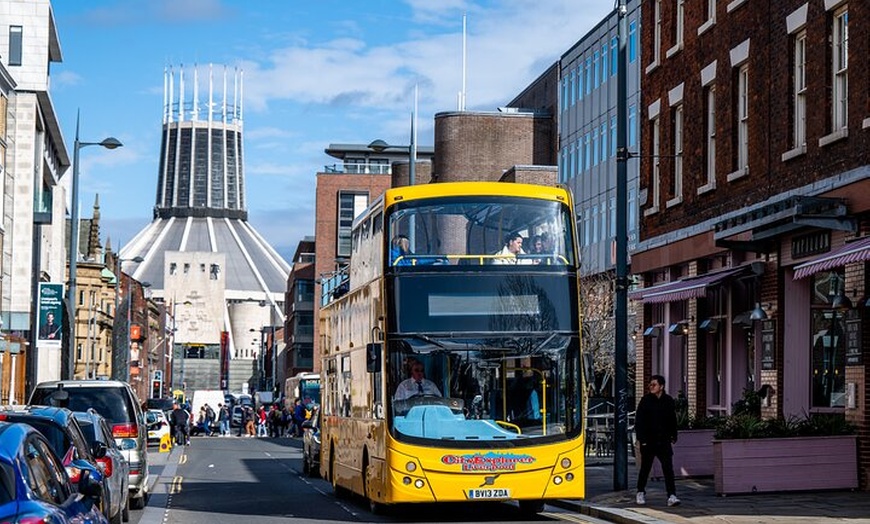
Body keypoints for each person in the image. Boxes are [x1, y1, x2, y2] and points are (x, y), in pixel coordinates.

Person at [634, 374, 680, 507]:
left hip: (663, 440)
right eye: (650, 385)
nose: (651, 387)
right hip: (648, 440)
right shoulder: (645, 400)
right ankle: (640, 491)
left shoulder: (668, 400)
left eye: (654, 385)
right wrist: (641, 439)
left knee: (668, 469)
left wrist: (673, 435)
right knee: (645, 468)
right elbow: (639, 421)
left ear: (661, 386)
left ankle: (672, 495)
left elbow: (672, 419)